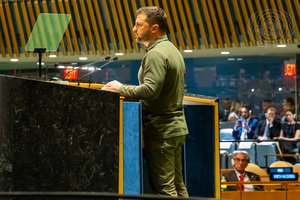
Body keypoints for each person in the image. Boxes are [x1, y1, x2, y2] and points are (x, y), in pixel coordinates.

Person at [101, 6, 189, 197]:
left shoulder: (156, 54)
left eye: (139, 25)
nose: (134, 29)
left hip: (162, 130)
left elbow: (150, 90)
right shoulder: (171, 49)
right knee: (177, 185)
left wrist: (120, 88)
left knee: (165, 189)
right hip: (174, 127)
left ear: (154, 29)